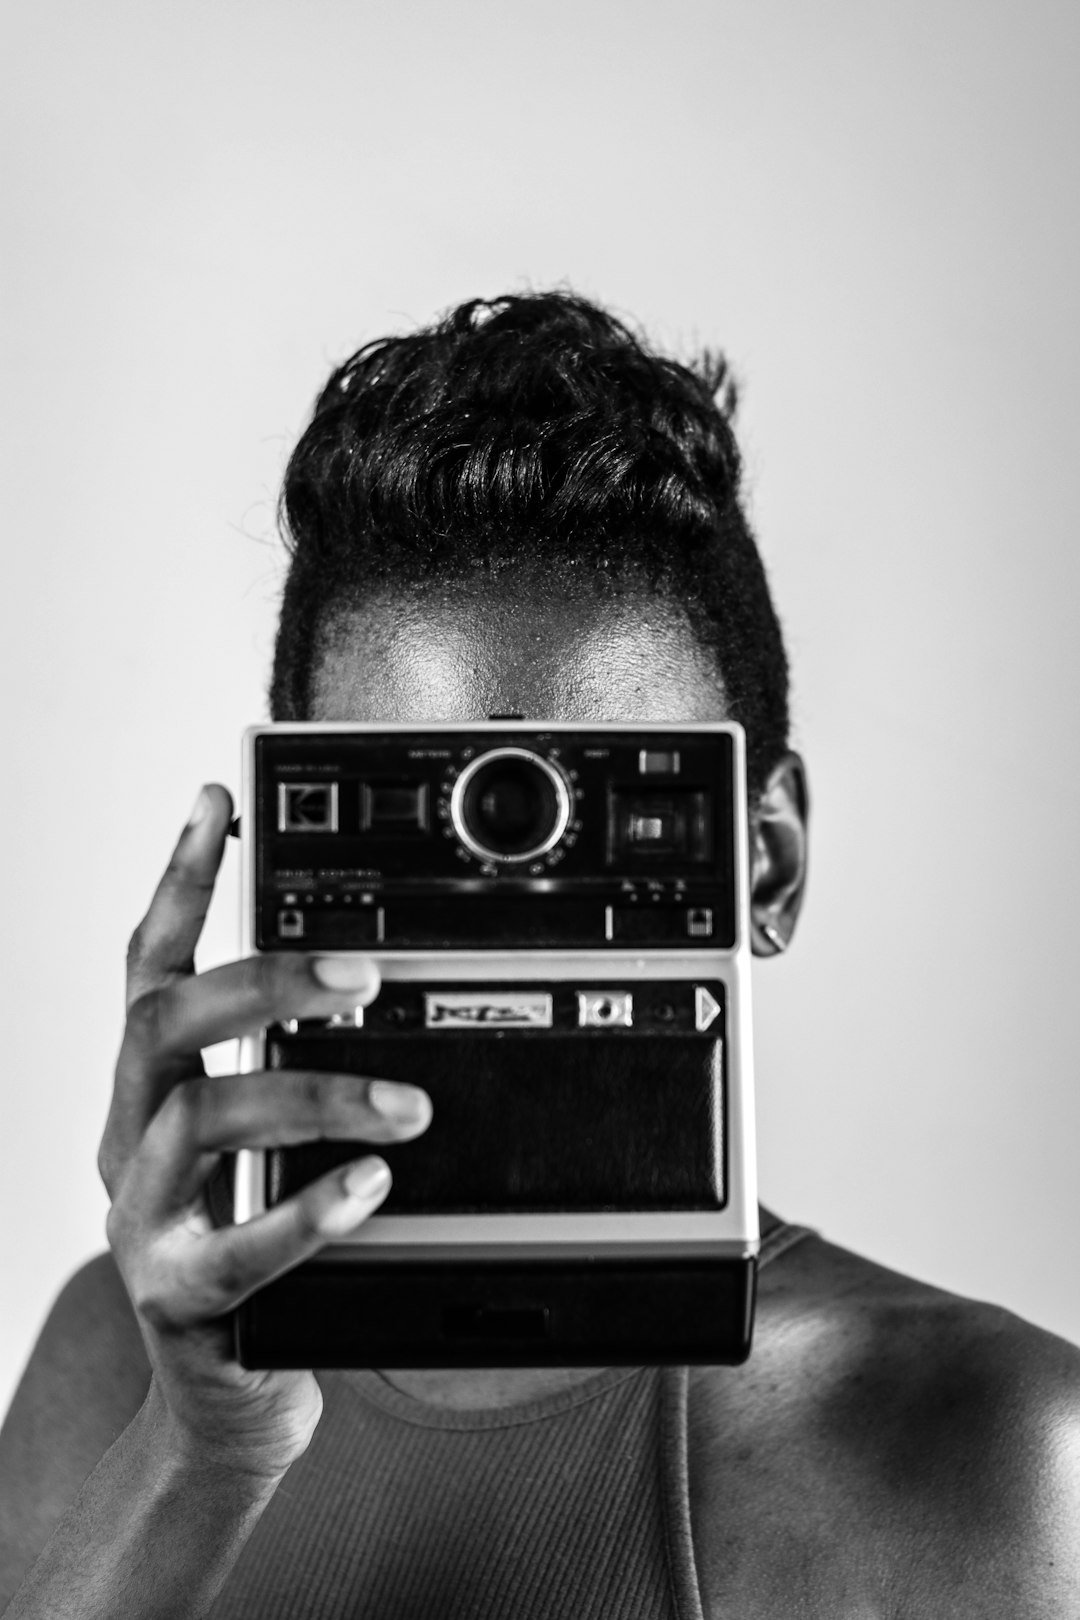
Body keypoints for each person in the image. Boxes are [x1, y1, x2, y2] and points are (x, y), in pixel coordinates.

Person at [1, 292, 1077, 1618]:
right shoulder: (119, 1365)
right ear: (298, 845)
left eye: (608, 818)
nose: (503, 920)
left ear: (766, 861)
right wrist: (197, 1450)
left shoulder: (997, 1443)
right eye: (419, 813)